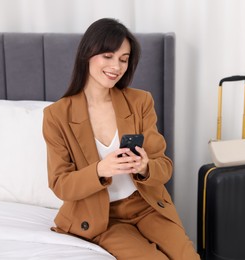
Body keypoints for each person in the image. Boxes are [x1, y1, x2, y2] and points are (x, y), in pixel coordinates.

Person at [42, 18, 200, 260]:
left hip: (146, 206)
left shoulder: (140, 102)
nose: (116, 66)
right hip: (102, 217)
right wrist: (100, 170)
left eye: (123, 59)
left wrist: (146, 167)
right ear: (88, 54)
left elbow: (164, 167)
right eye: (108, 56)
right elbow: (60, 184)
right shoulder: (56, 116)